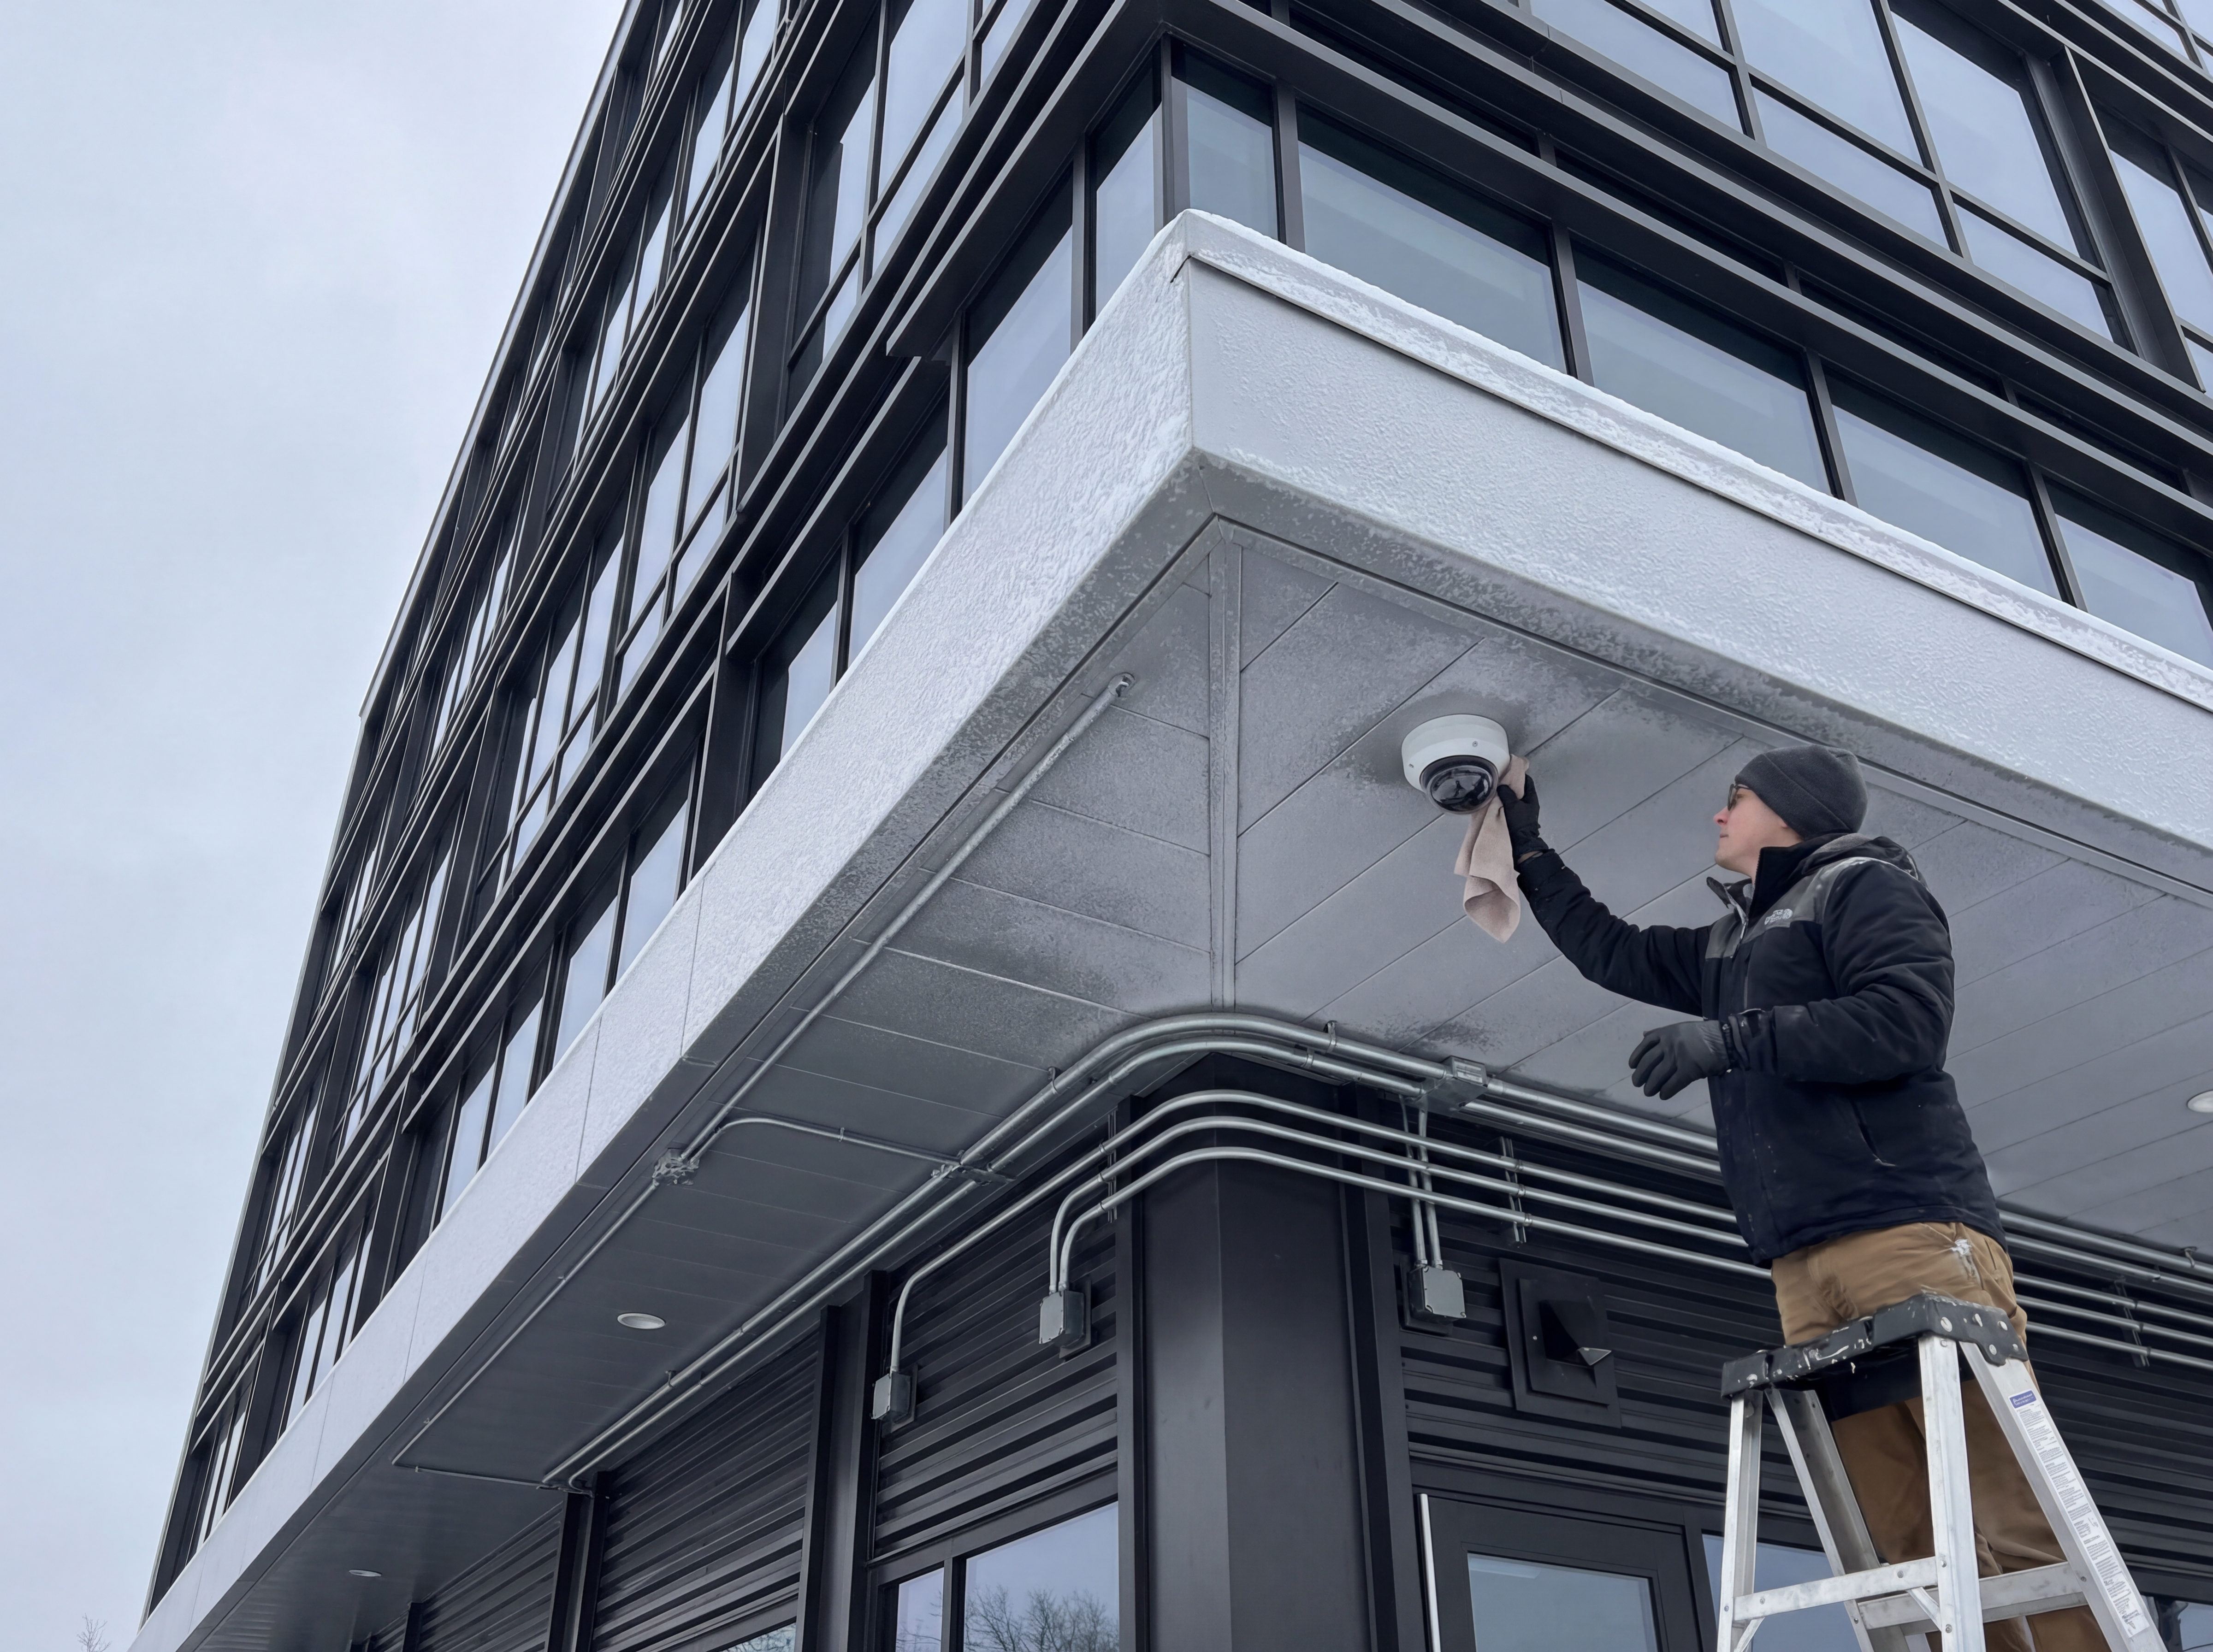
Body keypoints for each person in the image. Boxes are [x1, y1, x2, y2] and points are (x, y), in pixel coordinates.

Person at [1498, 743, 2100, 1652]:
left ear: (1790, 810)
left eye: (1732, 798)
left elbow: (1905, 1021)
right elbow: (1610, 949)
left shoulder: (1864, 887)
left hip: (1906, 1233)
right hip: (1802, 1267)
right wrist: (1529, 848)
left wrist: (1731, 1041)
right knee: (1900, 1541)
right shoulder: (1734, 940)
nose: (1717, 816)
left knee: (2003, 1514)